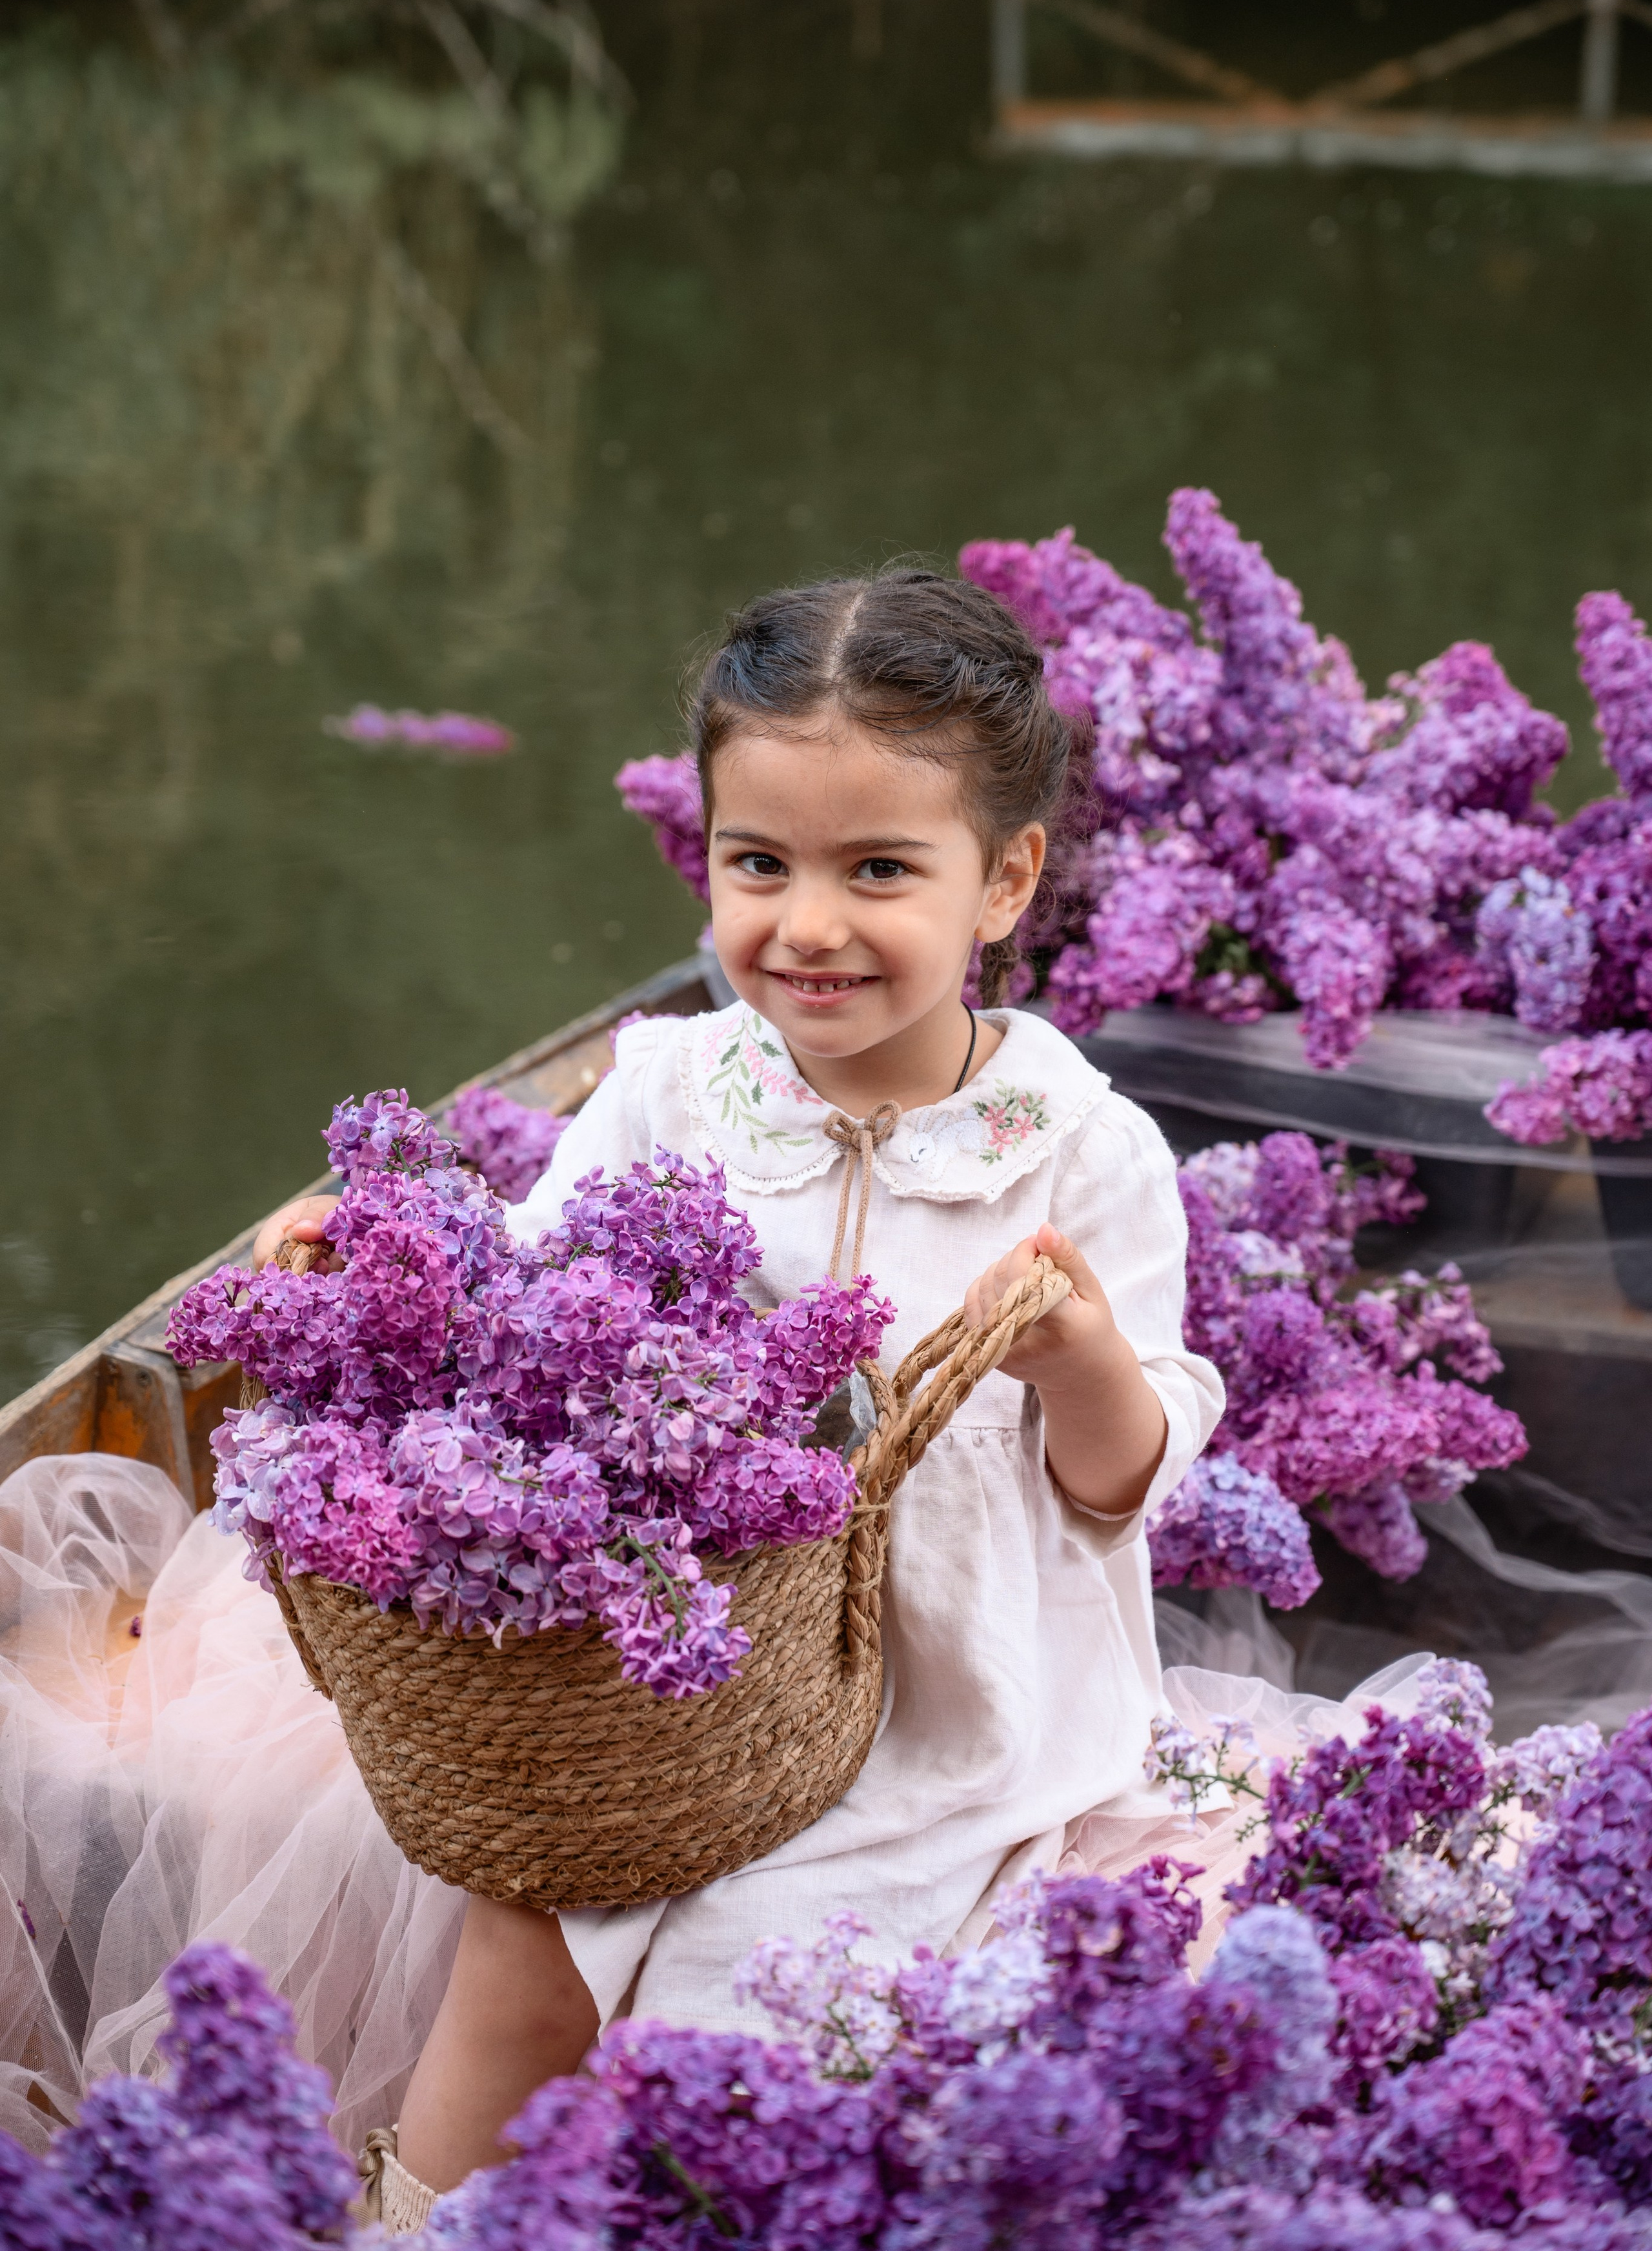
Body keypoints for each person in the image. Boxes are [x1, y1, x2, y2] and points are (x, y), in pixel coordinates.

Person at [248, 568, 1224, 2228]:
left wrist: (1077, 1360)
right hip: (663, 1685)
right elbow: (521, 1323)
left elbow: (1119, 1488)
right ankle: (409, 2219)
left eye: (879, 871)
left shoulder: (1078, 1149)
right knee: (529, 1924)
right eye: (756, 865)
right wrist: (386, 1258)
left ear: (1005, 882)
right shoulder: (668, 1095)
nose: (807, 925)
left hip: (954, 1701)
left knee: (775, 1985)